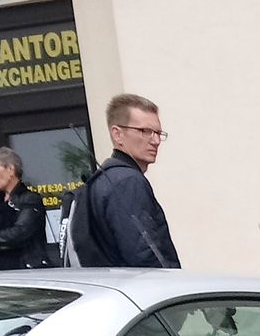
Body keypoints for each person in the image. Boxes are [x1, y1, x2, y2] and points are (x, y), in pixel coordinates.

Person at [71, 93, 179, 268]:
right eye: (146, 131)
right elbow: (146, 254)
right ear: (117, 134)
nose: (156, 140)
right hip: (143, 291)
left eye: (158, 133)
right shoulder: (127, 181)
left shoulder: (102, 180)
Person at [0, 148, 47, 271]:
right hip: (0, 271)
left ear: (10, 169)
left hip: (27, 270)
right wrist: (5, 245)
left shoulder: (30, 199)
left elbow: (20, 233)